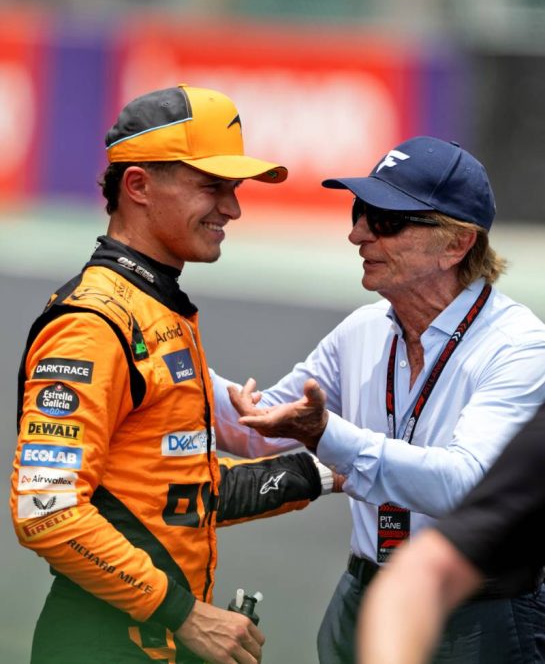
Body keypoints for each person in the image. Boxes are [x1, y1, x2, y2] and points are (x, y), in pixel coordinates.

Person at [10, 84, 339, 664]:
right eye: (212, 187)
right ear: (137, 185)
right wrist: (185, 615)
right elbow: (48, 511)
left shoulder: (159, 309)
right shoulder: (93, 323)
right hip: (101, 645)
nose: (233, 209)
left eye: (234, 189)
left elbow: (172, 496)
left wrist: (326, 470)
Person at [212, 136, 545, 664]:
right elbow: (256, 426)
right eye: (360, 210)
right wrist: (165, 354)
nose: (357, 233)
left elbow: (463, 486)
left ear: (457, 244)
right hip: (361, 597)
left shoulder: (520, 347)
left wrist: (327, 435)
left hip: (478, 616)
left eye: (386, 220)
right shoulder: (363, 329)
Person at [358, 398, 545, 664]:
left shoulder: (516, 359)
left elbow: (461, 484)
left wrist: (332, 445)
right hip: (376, 585)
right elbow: (424, 572)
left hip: (485, 607)